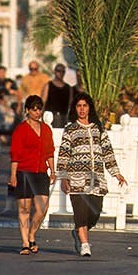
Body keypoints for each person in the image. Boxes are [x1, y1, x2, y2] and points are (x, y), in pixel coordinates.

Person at [56, 93, 128, 257]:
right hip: (76, 178)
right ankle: (85, 244)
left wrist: (116, 174)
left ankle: (78, 233)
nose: (82, 109)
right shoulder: (70, 130)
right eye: (79, 106)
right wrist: (63, 177)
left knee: (94, 212)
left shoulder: (98, 128)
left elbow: (108, 152)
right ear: (75, 108)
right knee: (80, 213)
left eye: (85, 106)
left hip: (96, 180)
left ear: (89, 108)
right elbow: (63, 154)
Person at [8, 95, 56, 253]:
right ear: (27, 110)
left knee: (42, 208)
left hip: (41, 172)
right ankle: (25, 243)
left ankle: (31, 234)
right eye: (34, 109)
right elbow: (15, 154)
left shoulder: (46, 129)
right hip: (24, 172)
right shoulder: (21, 129)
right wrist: (13, 175)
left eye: (39, 109)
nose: (37, 112)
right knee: (24, 209)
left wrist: (53, 170)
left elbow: (50, 152)